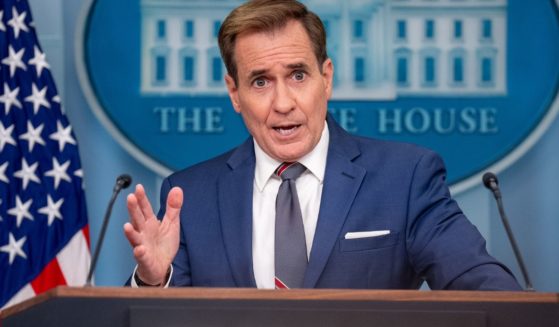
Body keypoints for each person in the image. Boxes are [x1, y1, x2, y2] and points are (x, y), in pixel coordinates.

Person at [124, 0, 521, 290]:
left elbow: (479, 284)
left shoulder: (404, 179)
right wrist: (153, 280)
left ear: (325, 78)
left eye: (298, 75)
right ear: (234, 92)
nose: (283, 103)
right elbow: (157, 317)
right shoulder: (190, 195)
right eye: (260, 81)